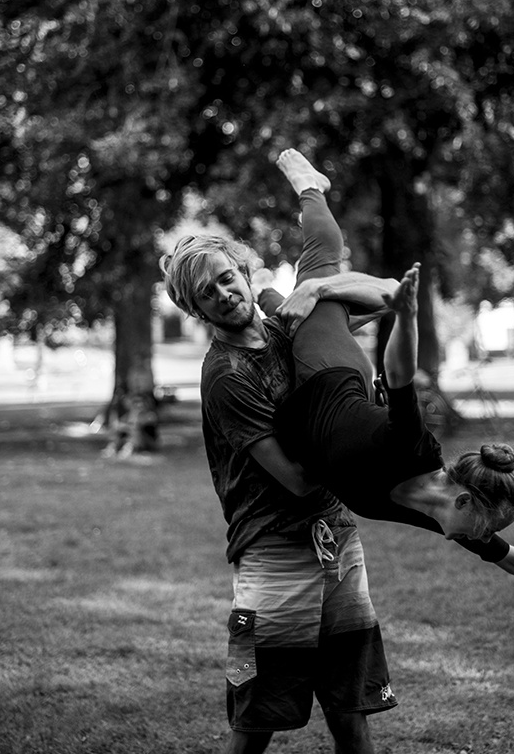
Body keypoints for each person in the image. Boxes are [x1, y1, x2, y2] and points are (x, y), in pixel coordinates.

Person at [160, 149, 403, 754]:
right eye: (205, 292)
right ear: (193, 309)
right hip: (273, 552)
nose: (222, 294)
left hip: (337, 538)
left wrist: (317, 286)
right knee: (257, 717)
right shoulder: (226, 377)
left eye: (226, 277)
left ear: (244, 273)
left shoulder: (286, 321)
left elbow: (390, 297)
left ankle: (311, 190)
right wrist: (373, 465)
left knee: (351, 706)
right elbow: (294, 480)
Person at [258, 155, 514, 598]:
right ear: (465, 500)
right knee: (317, 270)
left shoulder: (436, 514)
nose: (482, 537)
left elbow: (512, 558)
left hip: (292, 401)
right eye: (486, 527)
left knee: (283, 314)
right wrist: (405, 317)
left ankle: (271, 290)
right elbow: (399, 376)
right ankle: (311, 187)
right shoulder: (415, 450)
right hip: (327, 372)